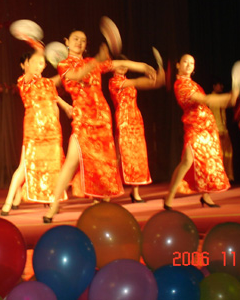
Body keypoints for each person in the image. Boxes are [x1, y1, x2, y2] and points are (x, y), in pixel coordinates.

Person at [43, 30, 156, 223]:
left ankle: (102, 206)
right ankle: (53, 206)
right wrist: (97, 60)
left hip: (102, 118)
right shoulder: (64, 64)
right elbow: (77, 76)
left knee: (105, 164)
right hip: (83, 119)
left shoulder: (92, 62)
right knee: (71, 162)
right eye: (75, 39)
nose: (79, 42)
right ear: (67, 42)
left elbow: (118, 64)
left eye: (83, 40)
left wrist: (143, 66)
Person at [0, 50, 72, 216]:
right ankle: (8, 202)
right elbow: (29, 76)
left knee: (52, 167)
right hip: (33, 129)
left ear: (44, 65)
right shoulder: (23, 81)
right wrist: (36, 48)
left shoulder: (48, 83)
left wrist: (59, 121)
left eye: (41, 63)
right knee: (24, 167)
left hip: (51, 130)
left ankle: (52, 201)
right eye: (34, 62)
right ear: (26, 64)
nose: (37, 66)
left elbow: (54, 104)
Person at [163, 54, 237, 209]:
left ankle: (206, 196)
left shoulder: (193, 84)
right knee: (187, 160)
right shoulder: (180, 84)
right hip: (194, 126)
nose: (189, 65)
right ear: (178, 65)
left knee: (208, 160)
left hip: (207, 126)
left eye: (192, 63)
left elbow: (207, 102)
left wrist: (229, 99)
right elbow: (204, 100)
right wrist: (229, 97)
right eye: (185, 62)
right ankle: (169, 196)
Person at [109, 56, 165, 203]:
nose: (123, 67)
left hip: (136, 120)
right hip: (123, 120)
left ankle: (135, 192)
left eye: (125, 65)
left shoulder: (128, 81)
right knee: (119, 155)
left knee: (138, 155)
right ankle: (108, 189)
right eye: (120, 64)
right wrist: (151, 76)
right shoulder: (114, 82)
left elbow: (149, 84)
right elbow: (139, 82)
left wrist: (157, 77)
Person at [209, 80, 235, 181]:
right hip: (217, 129)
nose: (221, 86)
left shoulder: (219, 98)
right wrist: (218, 129)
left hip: (223, 128)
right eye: (219, 84)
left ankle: (226, 175)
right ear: (214, 86)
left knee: (227, 153)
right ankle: (219, 176)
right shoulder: (212, 98)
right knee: (218, 153)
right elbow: (215, 116)